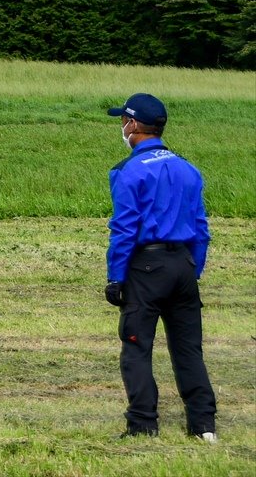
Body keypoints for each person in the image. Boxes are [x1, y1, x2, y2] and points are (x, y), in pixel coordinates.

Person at [105, 93, 216, 442]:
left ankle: (142, 424)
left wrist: (116, 277)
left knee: (137, 345)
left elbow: (124, 229)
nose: (122, 126)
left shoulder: (127, 172)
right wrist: (191, 269)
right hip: (182, 263)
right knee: (188, 348)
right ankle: (203, 425)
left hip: (146, 265)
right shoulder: (188, 168)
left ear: (134, 125)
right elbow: (201, 227)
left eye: (124, 120)